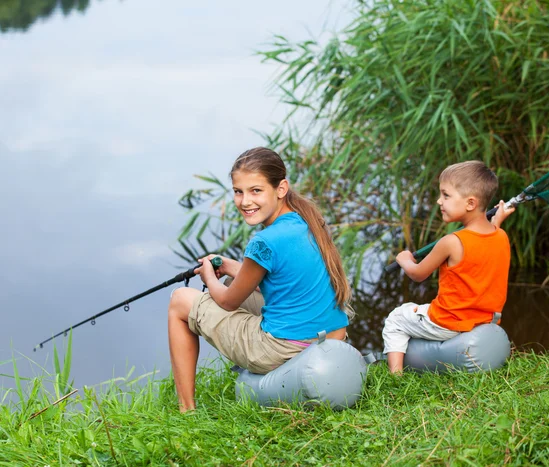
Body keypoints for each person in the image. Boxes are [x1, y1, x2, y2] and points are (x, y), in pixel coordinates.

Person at [168, 147, 353, 411]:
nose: (245, 201)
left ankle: (186, 409)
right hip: (331, 336)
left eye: (256, 191)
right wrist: (233, 267)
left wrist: (209, 278)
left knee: (179, 301)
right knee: (236, 281)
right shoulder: (308, 220)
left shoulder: (264, 241)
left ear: (281, 188)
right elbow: (283, 277)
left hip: (283, 348)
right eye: (238, 191)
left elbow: (229, 302)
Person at [382, 160, 515, 374]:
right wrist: (496, 222)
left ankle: (395, 376)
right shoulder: (500, 236)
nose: (438, 201)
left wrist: (404, 259)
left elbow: (417, 274)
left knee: (396, 318)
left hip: (448, 322)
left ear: (470, 203)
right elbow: (485, 241)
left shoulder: (452, 242)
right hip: (484, 320)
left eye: (446, 195)